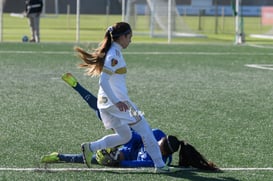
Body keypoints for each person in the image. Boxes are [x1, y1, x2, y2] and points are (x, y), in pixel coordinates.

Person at [41, 73, 219, 171]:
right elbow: (137, 136)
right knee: (98, 109)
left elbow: (133, 164)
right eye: (159, 143)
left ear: (164, 152)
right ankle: (76, 85)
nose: (156, 146)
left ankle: (58, 156)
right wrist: (120, 142)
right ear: (162, 139)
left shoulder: (159, 160)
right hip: (125, 138)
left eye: (160, 148)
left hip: (120, 155)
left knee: (90, 160)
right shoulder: (156, 134)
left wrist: (114, 159)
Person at [73, 22, 182, 173]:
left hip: (106, 103)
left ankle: (90, 147)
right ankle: (160, 165)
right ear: (123, 37)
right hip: (118, 103)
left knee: (125, 136)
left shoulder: (113, 52)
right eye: (129, 37)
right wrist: (117, 102)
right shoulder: (114, 55)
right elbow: (102, 81)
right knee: (145, 129)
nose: (130, 40)